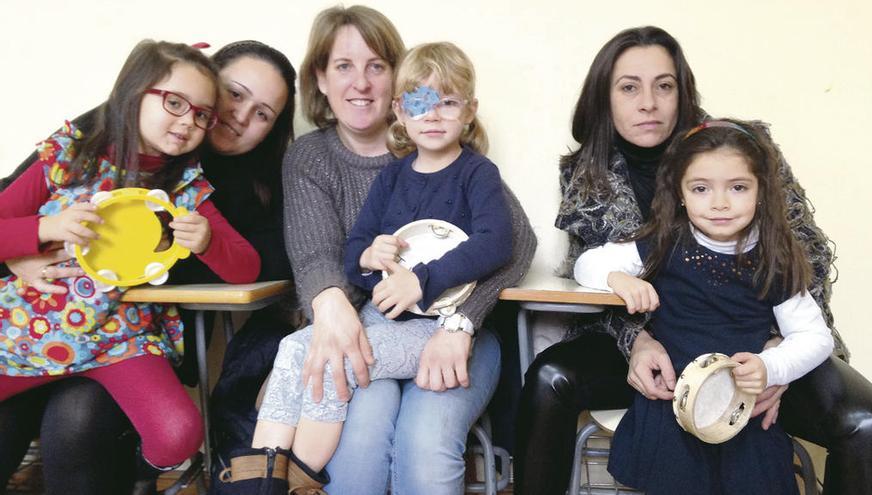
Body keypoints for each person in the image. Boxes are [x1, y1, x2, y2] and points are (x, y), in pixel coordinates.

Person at [515, 25, 872, 495]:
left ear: (682, 92)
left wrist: (777, 357)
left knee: (867, 423)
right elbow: (593, 272)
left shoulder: (740, 149)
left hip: (758, 339)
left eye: (663, 85)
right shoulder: (587, 171)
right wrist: (637, 341)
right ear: (604, 99)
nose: (648, 102)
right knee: (550, 375)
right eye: (629, 87)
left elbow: (803, 257)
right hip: (663, 337)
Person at [0, 40, 298, 495]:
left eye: (263, 113)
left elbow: (250, 264)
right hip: (31, 330)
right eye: (234, 96)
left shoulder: (191, 187)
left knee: (101, 427)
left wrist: (208, 240)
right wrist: (34, 237)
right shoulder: (76, 151)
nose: (237, 117)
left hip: (119, 338)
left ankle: (138, 472)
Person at [226, 41, 513, 494]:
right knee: (297, 349)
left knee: (327, 357)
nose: (434, 114)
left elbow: (498, 243)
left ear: (470, 111)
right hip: (383, 320)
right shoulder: (392, 177)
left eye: (449, 102)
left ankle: (293, 475)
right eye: (420, 102)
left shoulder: (477, 174)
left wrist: (420, 281)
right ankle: (264, 477)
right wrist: (367, 257)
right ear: (399, 110)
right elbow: (354, 254)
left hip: (432, 326)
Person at [575, 118, 833, 493]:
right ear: (680, 192)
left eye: (738, 187)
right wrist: (620, 279)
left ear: (762, 190)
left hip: (740, 409)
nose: (720, 203)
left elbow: (815, 337)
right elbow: (587, 264)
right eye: (700, 188)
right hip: (670, 406)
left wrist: (770, 366)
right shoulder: (664, 241)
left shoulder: (775, 258)